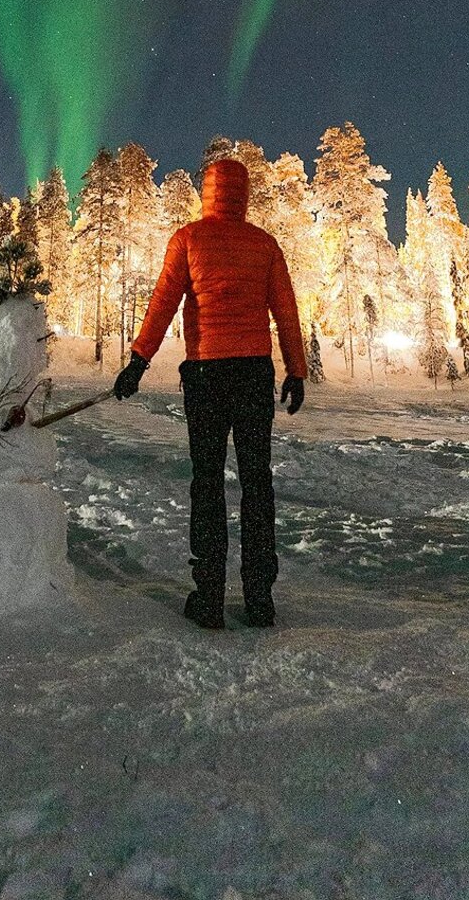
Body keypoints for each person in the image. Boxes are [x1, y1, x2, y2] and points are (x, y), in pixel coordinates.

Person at [111, 156, 307, 629]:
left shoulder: (188, 239)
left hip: (206, 377)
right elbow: (287, 312)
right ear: (244, 193)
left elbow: (163, 303)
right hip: (254, 375)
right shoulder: (264, 244)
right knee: (257, 483)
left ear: (207, 191)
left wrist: (138, 362)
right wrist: (295, 372)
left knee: (208, 483)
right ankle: (260, 599)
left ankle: (210, 598)